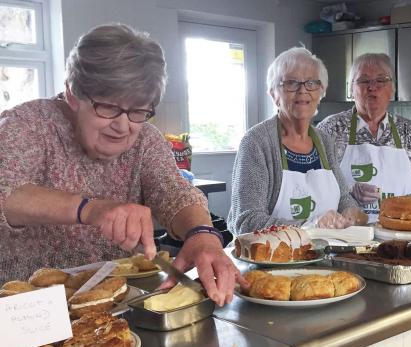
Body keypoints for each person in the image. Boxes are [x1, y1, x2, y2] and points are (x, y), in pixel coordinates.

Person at [0, 24, 242, 305]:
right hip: (24, 316)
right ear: (72, 94)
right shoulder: (26, 125)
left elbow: (173, 192)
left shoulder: (145, 139)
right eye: (109, 107)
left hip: (114, 309)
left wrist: (202, 233)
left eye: (138, 110)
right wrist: (91, 209)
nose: (123, 125)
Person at [227, 47, 364, 234]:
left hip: (323, 256)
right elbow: (246, 221)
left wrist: (350, 212)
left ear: (321, 91)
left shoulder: (323, 141)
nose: (302, 91)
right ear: (273, 93)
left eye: (312, 83)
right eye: (291, 83)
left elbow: (343, 198)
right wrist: (309, 226)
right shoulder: (256, 142)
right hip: (271, 258)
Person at [317, 53, 411, 223]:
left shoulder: (409, 132)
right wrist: (349, 190)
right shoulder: (330, 129)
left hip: (401, 233)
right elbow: (316, 186)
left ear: (392, 89)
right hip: (347, 235)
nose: (372, 87)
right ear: (351, 89)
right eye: (364, 81)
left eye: (381, 80)